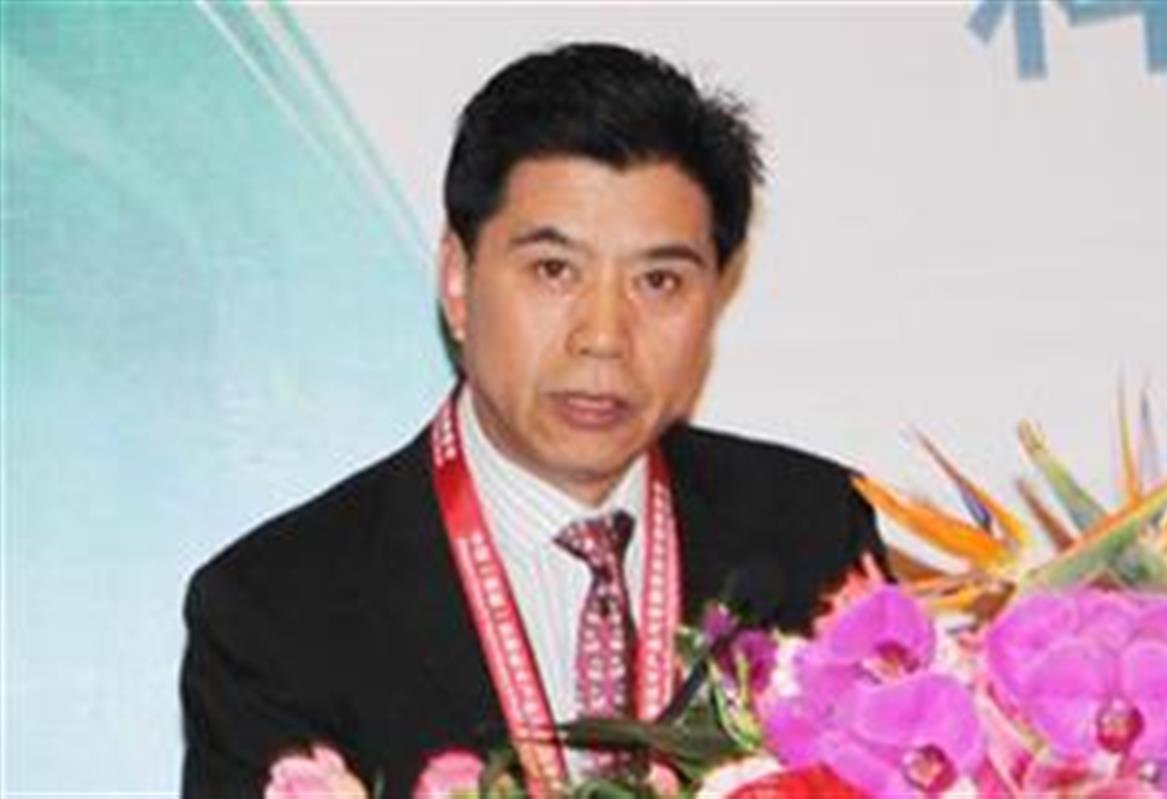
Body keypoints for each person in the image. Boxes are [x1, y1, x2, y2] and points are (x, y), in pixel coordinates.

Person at [181, 42, 887, 797]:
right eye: (555, 271)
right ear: (458, 280)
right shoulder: (276, 611)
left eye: (658, 281)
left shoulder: (812, 532)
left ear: (716, 294)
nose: (604, 335)